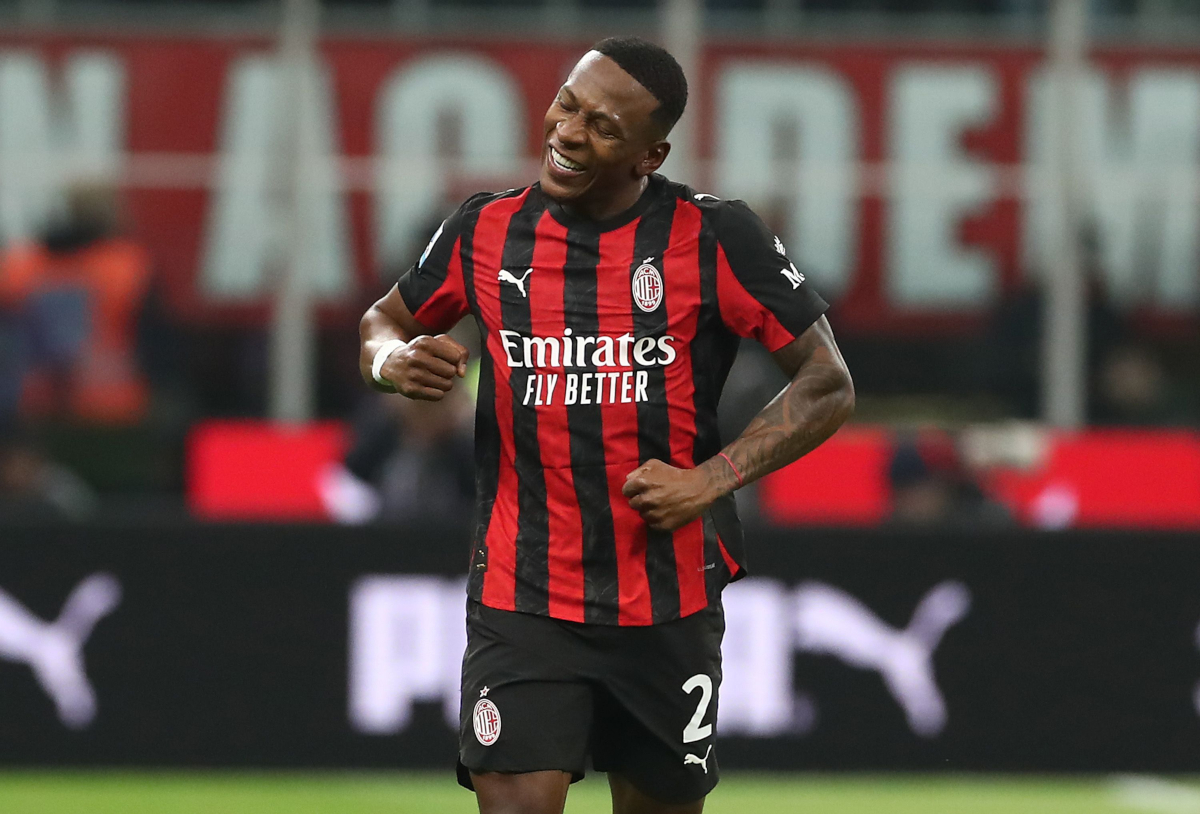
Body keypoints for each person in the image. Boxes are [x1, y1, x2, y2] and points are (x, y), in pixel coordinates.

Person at [358, 37, 854, 814]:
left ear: (649, 155)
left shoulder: (717, 238)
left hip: (668, 603)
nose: (568, 131)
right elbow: (381, 323)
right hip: (523, 596)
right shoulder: (482, 230)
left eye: (602, 126)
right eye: (566, 103)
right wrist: (393, 363)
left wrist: (710, 480)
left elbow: (829, 384)